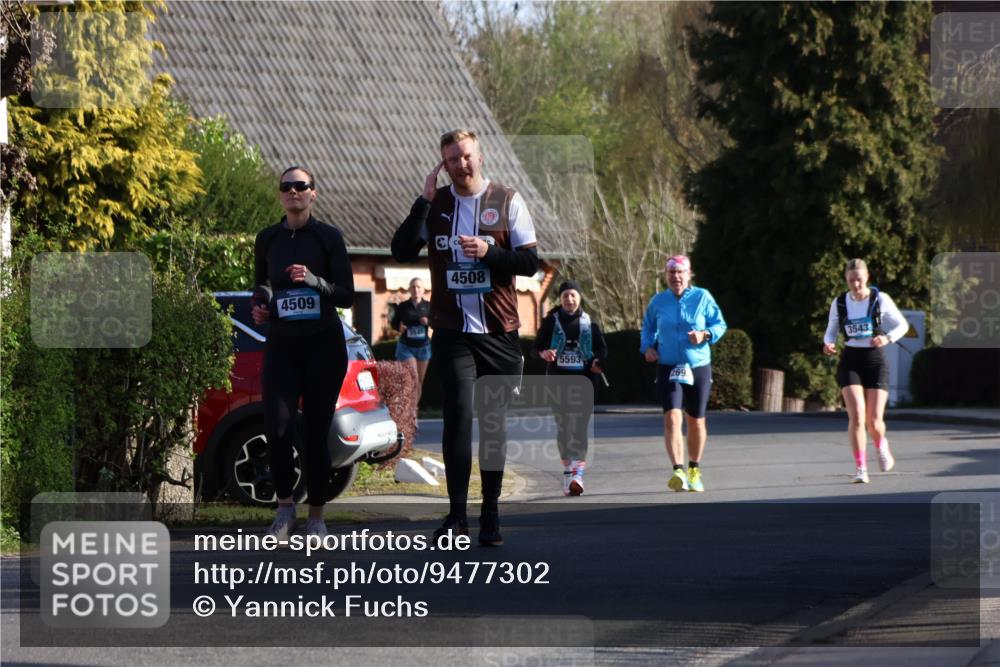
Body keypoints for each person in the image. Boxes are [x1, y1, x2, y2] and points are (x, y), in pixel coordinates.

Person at [391, 129, 539, 547]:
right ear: (444, 164)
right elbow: (401, 250)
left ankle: (490, 514)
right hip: (453, 332)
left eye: (467, 156)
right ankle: (457, 516)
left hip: (500, 333)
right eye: (453, 159)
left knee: (492, 425)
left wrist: (489, 253)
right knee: (457, 415)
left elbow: (529, 262)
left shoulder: (507, 200)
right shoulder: (437, 206)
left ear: (480, 156)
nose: (462, 164)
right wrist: (422, 199)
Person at [251, 166, 355, 540]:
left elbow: (346, 294)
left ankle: (317, 517)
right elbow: (261, 284)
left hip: (322, 345)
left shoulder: (328, 237)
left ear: (313, 194)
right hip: (282, 343)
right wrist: (260, 303)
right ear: (280, 195)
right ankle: (284, 510)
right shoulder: (268, 239)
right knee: (277, 430)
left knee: (314, 432)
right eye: (286, 187)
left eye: (301, 186)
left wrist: (314, 281)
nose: (293, 192)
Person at [640, 255, 726, 493]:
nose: (676, 277)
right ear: (666, 276)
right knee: (672, 417)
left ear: (689, 275)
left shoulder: (702, 297)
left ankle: (694, 469)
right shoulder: (658, 301)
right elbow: (647, 327)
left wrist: (705, 335)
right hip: (668, 366)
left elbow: (719, 324)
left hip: (697, 365)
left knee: (696, 421)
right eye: (671, 273)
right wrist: (647, 347)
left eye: (680, 272)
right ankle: (678, 470)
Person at [822, 258, 908, 483]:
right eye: (851, 281)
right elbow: (831, 330)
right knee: (857, 415)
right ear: (846, 280)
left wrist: (886, 338)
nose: (856, 285)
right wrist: (829, 343)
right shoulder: (840, 302)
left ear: (867, 277)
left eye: (859, 280)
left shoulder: (881, 299)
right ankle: (861, 468)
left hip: (875, 361)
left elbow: (903, 325)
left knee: (874, 421)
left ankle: (881, 444)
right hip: (850, 359)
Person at [533, 280, 608, 496]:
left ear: (580, 298)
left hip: (584, 381)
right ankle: (567, 471)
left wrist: (598, 363)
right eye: (565, 295)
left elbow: (602, 351)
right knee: (564, 427)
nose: (569, 299)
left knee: (580, 427)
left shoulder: (589, 323)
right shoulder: (551, 322)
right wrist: (544, 354)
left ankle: (577, 475)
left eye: (573, 295)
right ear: (560, 299)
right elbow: (536, 348)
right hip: (557, 381)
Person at [391, 277, 432, 411]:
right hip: (406, 347)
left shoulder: (428, 306)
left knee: (419, 382)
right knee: (413, 379)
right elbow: (393, 323)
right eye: (413, 287)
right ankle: (409, 411)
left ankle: (413, 410)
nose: (416, 289)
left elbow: (436, 321)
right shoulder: (403, 306)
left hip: (423, 347)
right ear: (409, 289)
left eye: (418, 287)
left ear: (423, 290)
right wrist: (399, 327)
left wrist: (428, 321)